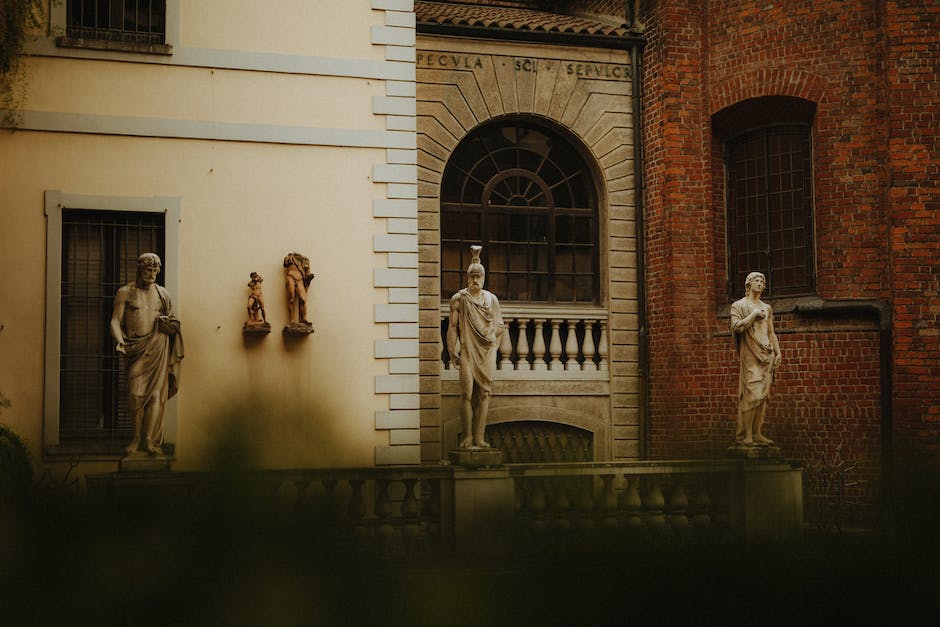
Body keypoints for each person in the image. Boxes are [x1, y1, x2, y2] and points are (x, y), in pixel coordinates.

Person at [110, 253, 184, 456]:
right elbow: (116, 320)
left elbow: (174, 322)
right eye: (148, 270)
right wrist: (119, 341)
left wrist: (167, 324)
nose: (152, 274)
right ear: (139, 269)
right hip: (135, 348)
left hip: (158, 347)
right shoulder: (125, 292)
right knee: (135, 394)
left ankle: (148, 440)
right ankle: (135, 437)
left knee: (154, 395)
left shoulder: (163, 294)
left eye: (155, 270)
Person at [446, 245, 505, 448]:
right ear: (467, 277)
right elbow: (452, 326)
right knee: (466, 393)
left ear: (484, 277)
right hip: (467, 352)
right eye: (472, 276)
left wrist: (491, 339)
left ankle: (479, 437)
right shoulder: (459, 298)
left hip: (486, 351)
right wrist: (451, 349)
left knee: (485, 394)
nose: (475, 280)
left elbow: (499, 326)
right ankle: (467, 436)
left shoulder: (491, 300)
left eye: (479, 276)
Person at [730, 271, 781, 445]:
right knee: (752, 393)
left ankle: (758, 432)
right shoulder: (738, 305)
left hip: (767, 353)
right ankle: (747, 435)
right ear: (748, 285)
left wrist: (778, 351)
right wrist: (753, 315)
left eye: (762, 281)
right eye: (756, 280)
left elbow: (771, 332)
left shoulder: (767, 308)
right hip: (750, 354)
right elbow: (737, 327)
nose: (759, 283)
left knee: (763, 395)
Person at [283, 252, 315, 326]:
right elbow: (285, 263)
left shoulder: (305, 260)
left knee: (303, 299)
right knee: (291, 298)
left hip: (300, 279)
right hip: (290, 276)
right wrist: (291, 257)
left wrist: (309, 275)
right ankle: (292, 320)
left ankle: (303, 319)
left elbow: (307, 273)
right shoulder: (289, 258)